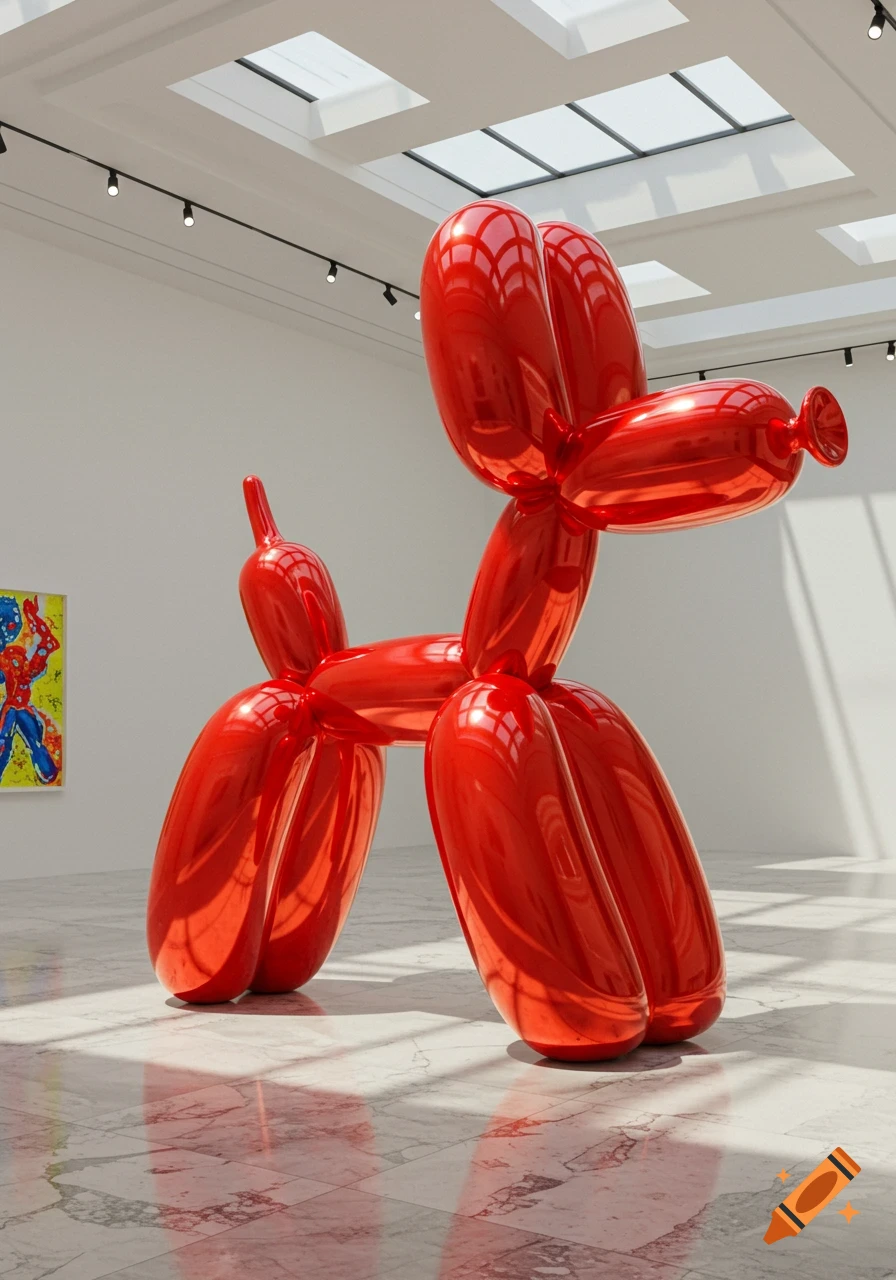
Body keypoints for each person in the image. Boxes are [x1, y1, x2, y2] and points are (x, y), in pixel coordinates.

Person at [0, 595, 60, 784]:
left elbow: (47, 645)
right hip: (15, 709)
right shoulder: (10, 657)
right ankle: (47, 771)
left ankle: (47, 771)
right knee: (7, 742)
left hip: (17, 709)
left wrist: (32, 617)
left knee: (24, 742)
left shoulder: (13, 657)